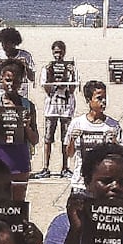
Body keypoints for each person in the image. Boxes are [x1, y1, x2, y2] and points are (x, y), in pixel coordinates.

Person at [0, 59, 38, 203]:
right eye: (8, 80)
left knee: (18, 205)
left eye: (16, 81)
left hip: (20, 162)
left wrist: (26, 126)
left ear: (21, 82)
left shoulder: (27, 106)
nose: (11, 85)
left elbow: (35, 139)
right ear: (1, 79)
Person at [65, 80, 123, 191]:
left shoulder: (113, 125)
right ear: (89, 100)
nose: (103, 102)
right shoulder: (77, 123)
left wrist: (114, 143)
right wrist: (72, 140)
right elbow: (69, 154)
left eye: (104, 98)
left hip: (104, 185)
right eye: (99, 98)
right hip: (80, 183)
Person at [37, 41, 78, 179]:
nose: (58, 55)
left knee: (65, 139)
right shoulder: (47, 68)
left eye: (60, 52)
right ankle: (46, 167)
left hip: (66, 108)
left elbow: (72, 90)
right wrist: (51, 76)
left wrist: (69, 76)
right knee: (48, 138)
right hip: (51, 108)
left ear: (64, 53)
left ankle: (65, 168)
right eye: (55, 52)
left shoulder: (71, 68)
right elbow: (47, 89)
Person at [0, 28, 34, 98]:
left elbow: (32, 78)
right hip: (1, 92)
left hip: (20, 92)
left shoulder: (25, 56)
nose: (5, 46)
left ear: (14, 43)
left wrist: (26, 66)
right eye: (3, 43)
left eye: (8, 43)